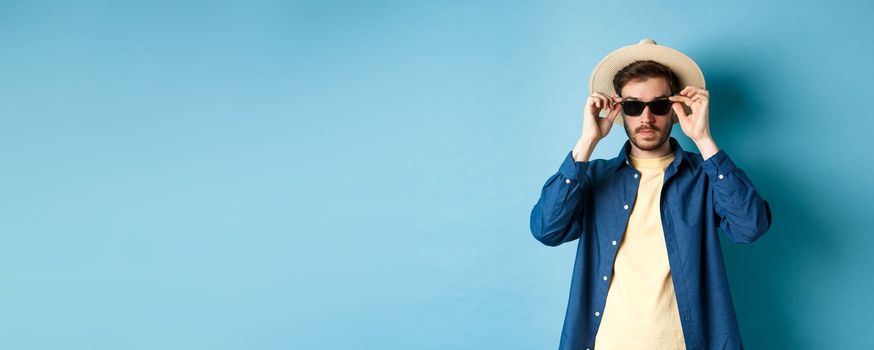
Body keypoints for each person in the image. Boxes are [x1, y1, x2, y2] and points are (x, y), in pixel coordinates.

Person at [529, 39, 772, 350]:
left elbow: (751, 226)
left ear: (673, 108)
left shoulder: (704, 177)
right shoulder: (593, 177)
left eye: (658, 105)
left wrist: (703, 139)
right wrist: (587, 142)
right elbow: (546, 229)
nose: (646, 118)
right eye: (633, 106)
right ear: (619, 110)